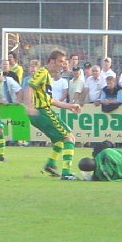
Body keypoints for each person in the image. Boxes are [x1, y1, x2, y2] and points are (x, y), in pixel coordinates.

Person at [23, 49, 82, 180]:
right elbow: (29, 87)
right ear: (51, 61)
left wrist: (69, 106)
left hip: (40, 112)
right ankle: (66, 173)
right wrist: (29, 106)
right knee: (69, 138)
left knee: (59, 140)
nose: (63, 64)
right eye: (60, 61)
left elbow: (50, 100)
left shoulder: (48, 77)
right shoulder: (42, 72)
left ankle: (50, 164)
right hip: (42, 112)